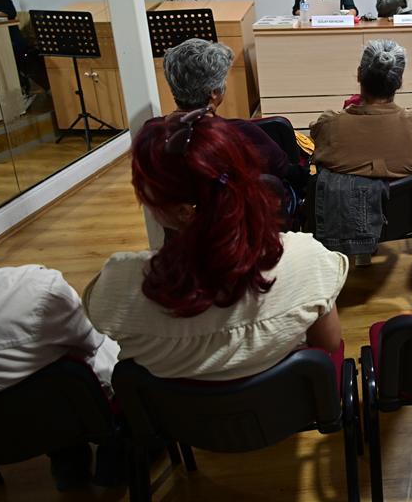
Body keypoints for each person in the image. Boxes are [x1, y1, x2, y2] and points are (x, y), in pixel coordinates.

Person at [84, 113, 346, 381]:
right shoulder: (307, 260)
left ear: (182, 211)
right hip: (283, 404)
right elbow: (329, 343)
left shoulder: (118, 285)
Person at [0, 128, 119, 486]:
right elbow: (92, 346)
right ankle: (117, 451)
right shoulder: (36, 290)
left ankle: (68, 457)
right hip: (61, 417)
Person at [310, 39, 412, 244]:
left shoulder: (330, 126)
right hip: (409, 222)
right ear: (399, 81)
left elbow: (317, 137)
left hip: (345, 225)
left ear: (360, 74)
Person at [162, 38, 289, 184]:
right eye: (224, 79)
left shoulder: (152, 133)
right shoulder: (240, 132)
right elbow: (282, 168)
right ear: (214, 92)